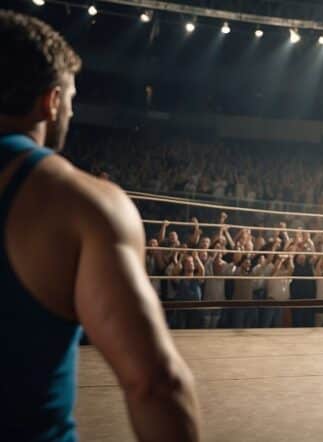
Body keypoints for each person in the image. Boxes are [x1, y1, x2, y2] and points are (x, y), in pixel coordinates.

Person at [0, 11, 200, 440]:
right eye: (71, 97)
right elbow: (154, 383)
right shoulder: (78, 203)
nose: (71, 110)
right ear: (51, 101)